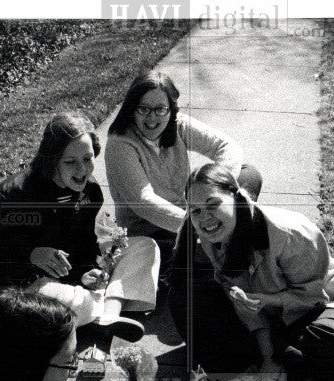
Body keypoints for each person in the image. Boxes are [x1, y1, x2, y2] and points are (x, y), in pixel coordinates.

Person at [169, 163, 334, 381]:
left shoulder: (288, 232)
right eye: (195, 210)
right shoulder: (211, 234)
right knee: (184, 300)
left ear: (235, 196)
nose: (204, 218)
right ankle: (280, 361)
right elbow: (244, 304)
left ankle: (277, 364)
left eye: (213, 205)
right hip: (268, 312)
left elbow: (312, 297)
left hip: (317, 303)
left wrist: (266, 301)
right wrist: (269, 356)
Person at [0, 112, 158, 343]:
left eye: (88, 158)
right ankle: (103, 308)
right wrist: (30, 255)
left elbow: (84, 244)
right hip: (25, 285)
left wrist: (86, 271)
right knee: (77, 304)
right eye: (70, 162)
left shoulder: (90, 192)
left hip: (67, 281)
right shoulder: (11, 195)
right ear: (51, 160)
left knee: (144, 247)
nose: (82, 170)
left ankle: (104, 315)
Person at [104, 71, 263, 282]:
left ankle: (226, 243)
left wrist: (215, 187)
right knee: (196, 266)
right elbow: (143, 202)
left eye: (160, 109)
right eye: (143, 109)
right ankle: (229, 243)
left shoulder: (178, 125)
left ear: (171, 110)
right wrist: (199, 223)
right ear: (131, 108)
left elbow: (227, 146)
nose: (152, 118)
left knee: (249, 175)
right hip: (154, 231)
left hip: (191, 213)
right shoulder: (120, 143)